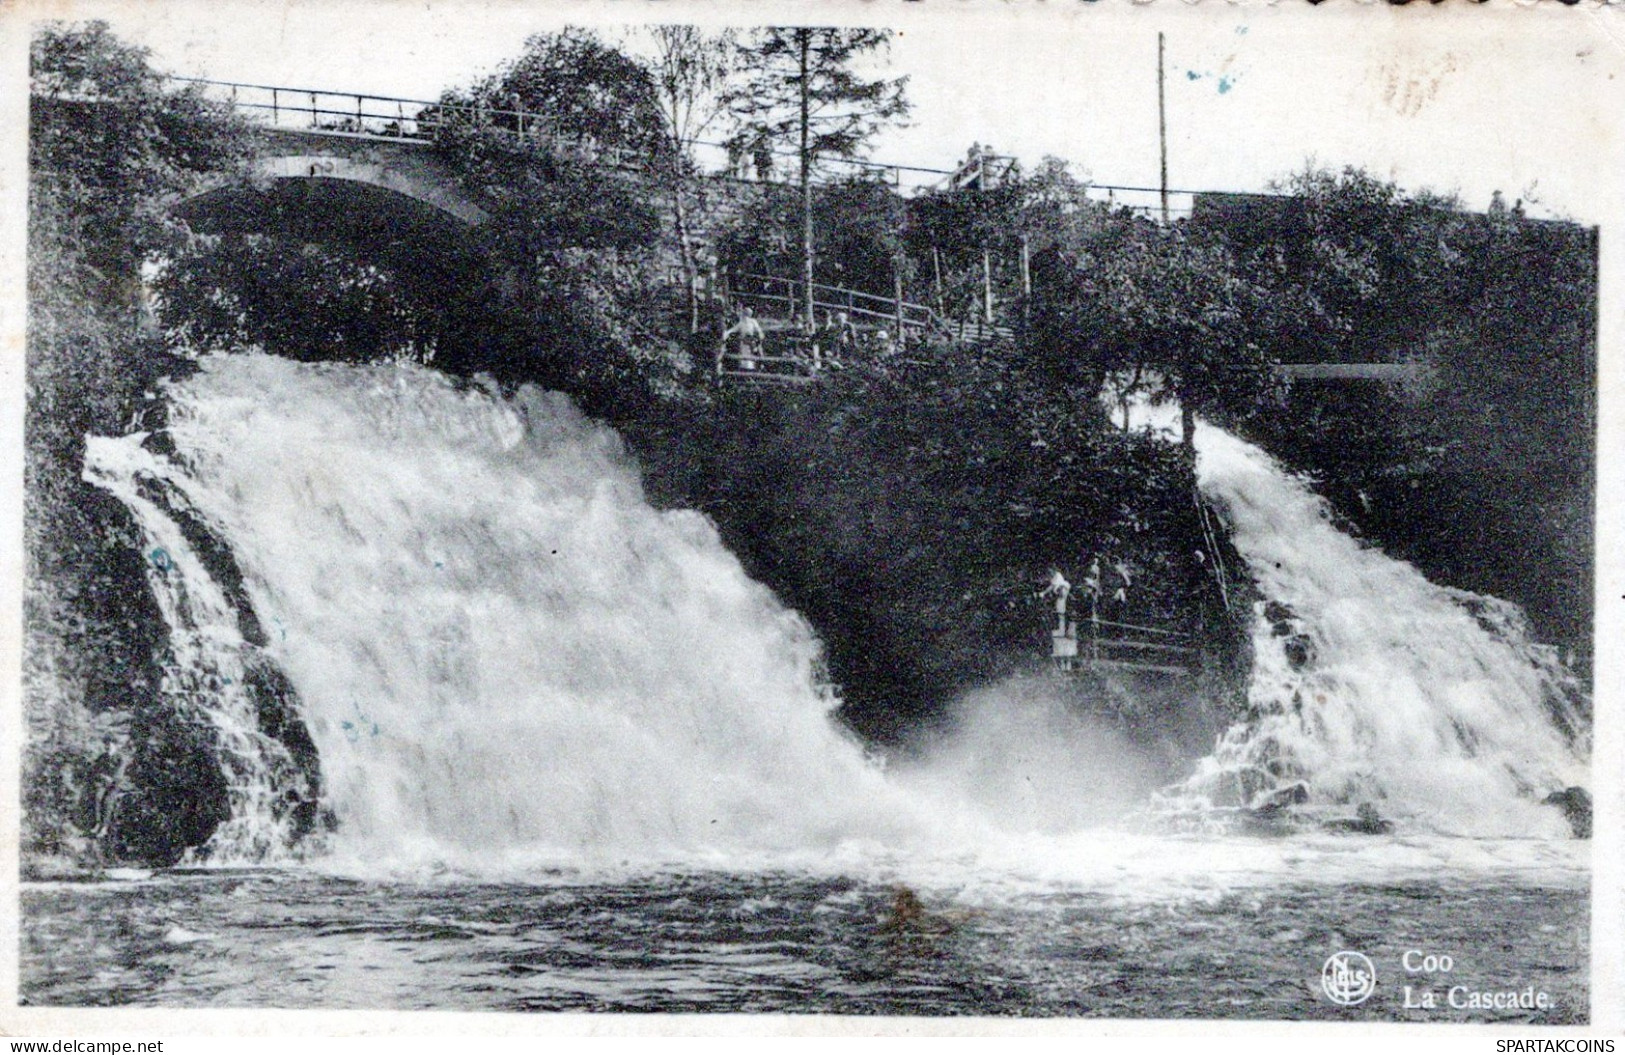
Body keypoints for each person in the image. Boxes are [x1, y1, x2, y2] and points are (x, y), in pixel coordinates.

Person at [721, 305, 764, 371]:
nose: (746, 317)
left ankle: (760, 364)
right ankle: (746, 367)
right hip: (744, 341)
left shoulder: (753, 321)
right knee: (744, 354)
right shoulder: (742, 323)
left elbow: (758, 330)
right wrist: (726, 333)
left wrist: (760, 335)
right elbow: (733, 329)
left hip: (751, 341)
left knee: (755, 351)